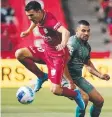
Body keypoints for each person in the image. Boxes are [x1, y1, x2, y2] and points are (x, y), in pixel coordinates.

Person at [15, 1, 85, 110]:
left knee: (55, 90)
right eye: (28, 16)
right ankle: (41, 76)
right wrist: (29, 31)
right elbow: (35, 22)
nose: (30, 18)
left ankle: (76, 95)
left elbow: (65, 32)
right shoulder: (39, 17)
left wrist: (63, 43)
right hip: (46, 51)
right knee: (20, 54)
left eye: (31, 15)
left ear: (39, 12)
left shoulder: (50, 21)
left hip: (57, 57)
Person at [62, 20, 110, 117]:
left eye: (88, 31)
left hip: (77, 78)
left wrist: (100, 75)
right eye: (83, 31)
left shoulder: (86, 46)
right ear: (77, 30)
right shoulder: (72, 43)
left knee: (99, 101)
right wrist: (70, 82)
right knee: (84, 98)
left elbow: (87, 64)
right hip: (65, 78)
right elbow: (62, 64)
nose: (86, 33)